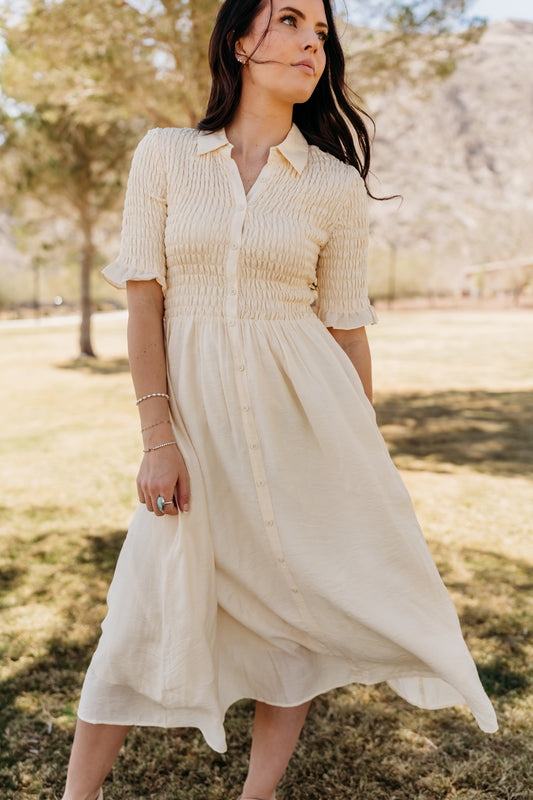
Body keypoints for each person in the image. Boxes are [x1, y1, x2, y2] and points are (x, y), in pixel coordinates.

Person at [62, 0, 498, 798]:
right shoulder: (165, 156)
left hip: (304, 425)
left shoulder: (333, 184)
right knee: (139, 611)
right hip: (194, 430)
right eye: (290, 20)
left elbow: (345, 332)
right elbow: (144, 300)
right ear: (239, 41)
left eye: (321, 32)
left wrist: (356, 454)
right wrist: (158, 437)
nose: (311, 43)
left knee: (293, 619)